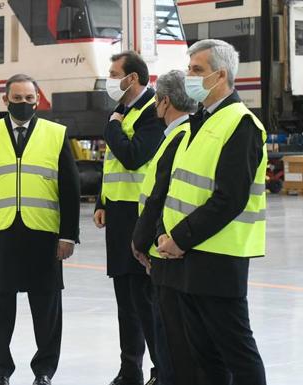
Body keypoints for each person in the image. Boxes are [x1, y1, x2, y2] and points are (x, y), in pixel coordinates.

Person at [155, 39, 267, 385]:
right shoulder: (201, 122)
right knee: (204, 354)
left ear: (220, 76)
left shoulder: (241, 124)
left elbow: (229, 199)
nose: (189, 76)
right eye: (189, 68)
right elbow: (180, 189)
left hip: (219, 258)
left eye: (196, 70)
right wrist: (168, 235)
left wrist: (180, 238)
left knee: (236, 352)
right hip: (189, 256)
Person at [0, 74, 81, 385]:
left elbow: (70, 189)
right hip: (1, 234)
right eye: (17, 99)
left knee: (47, 309)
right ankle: (0, 371)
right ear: (5, 100)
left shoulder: (56, 134)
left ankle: (44, 371)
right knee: (1, 309)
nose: (24, 104)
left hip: (44, 235)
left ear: (37, 100)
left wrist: (68, 236)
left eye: (30, 99)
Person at [93, 51, 165, 385]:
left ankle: (161, 370)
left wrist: (111, 129)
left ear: (132, 78)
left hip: (142, 217)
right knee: (126, 301)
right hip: (118, 215)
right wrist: (100, 201)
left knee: (146, 301)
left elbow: (134, 157)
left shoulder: (152, 112)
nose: (109, 79)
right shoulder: (122, 111)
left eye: (113, 73)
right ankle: (130, 369)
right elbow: (112, 165)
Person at [131, 70, 198, 385]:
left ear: (164, 101)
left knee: (169, 337)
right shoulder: (186, 133)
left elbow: (159, 197)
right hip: (170, 246)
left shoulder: (178, 136)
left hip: (166, 250)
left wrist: (141, 243)